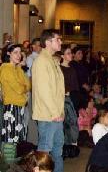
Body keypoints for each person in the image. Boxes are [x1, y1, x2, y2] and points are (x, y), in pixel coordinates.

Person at [32, 29, 65, 172]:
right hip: (48, 115)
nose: (61, 42)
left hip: (56, 114)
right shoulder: (41, 61)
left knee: (58, 151)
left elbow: (58, 90)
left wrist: (61, 111)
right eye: (58, 39)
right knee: (44, 152)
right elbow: (44, 91)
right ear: (48, 42)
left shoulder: (52, 60)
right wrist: (55, 113)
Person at [0, 44, 31, 143]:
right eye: (15, 53)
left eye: (20, 53)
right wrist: (24, 87)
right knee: (11, 137)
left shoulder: (18, 68)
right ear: (9, 54)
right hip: (11, 106)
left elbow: (28, 85)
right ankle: (9, 158)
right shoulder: (6, 68)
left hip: (20, 105)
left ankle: (15, 157)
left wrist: (24, 87)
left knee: (19, 136)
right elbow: (19, 89)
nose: (19, 55)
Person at [60, 44, 79, 147]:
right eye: (68, 53)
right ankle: (65, 145)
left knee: (72, 122)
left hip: (71, 98)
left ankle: (70, 145)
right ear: (62, 56)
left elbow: (75, 87)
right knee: (65, 123)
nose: (71, 55)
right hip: (62, 99)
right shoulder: (59, 69)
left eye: (70, 53)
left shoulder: (72, 68)